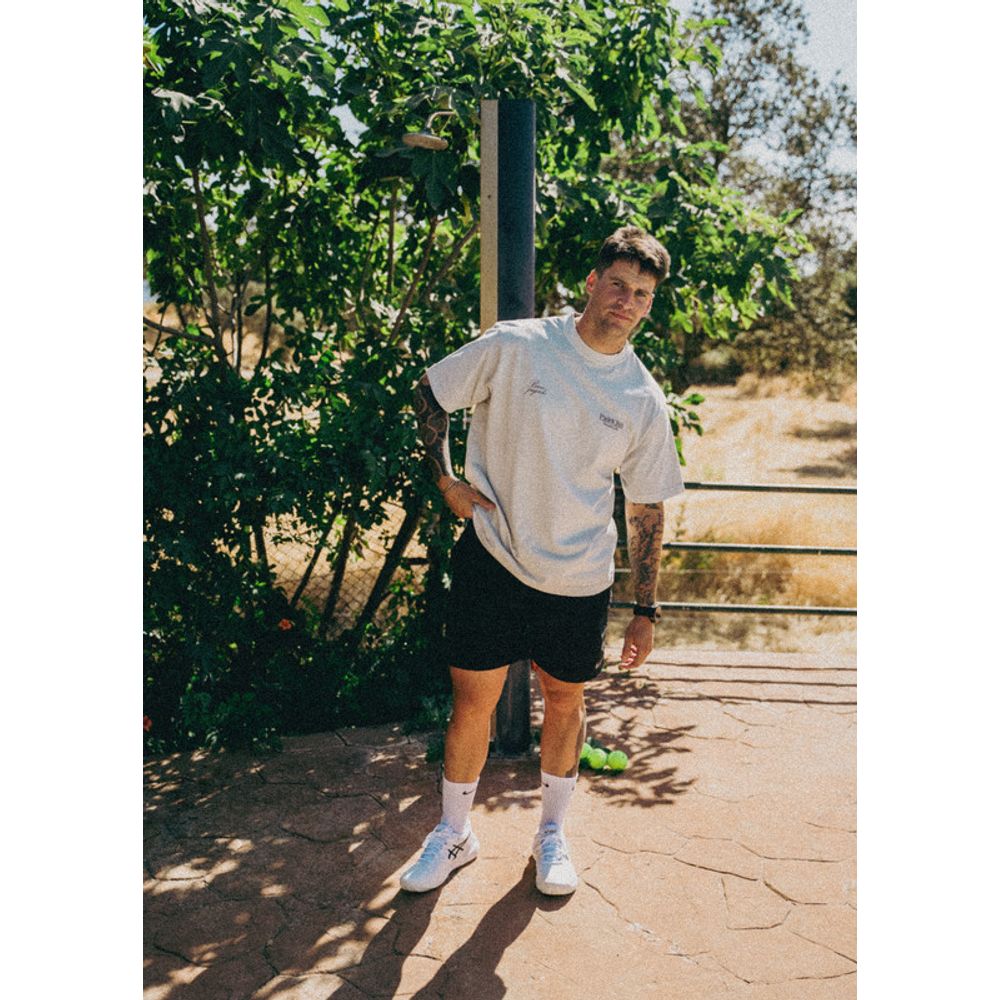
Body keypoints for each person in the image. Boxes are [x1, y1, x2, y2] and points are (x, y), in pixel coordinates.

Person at [401, 226, 684, 896]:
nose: (626, 301)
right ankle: (454, 833)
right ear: (592, 282)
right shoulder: (517, 345)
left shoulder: (642, 398)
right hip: (493, 556)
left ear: (649, 305)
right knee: (472, 702)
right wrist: (445, 480)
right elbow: (429, 392)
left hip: (578, 578)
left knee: (565, 701)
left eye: (642, 294)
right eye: (617, 284)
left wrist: (645, 610)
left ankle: (551, 836)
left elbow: (646, 509)